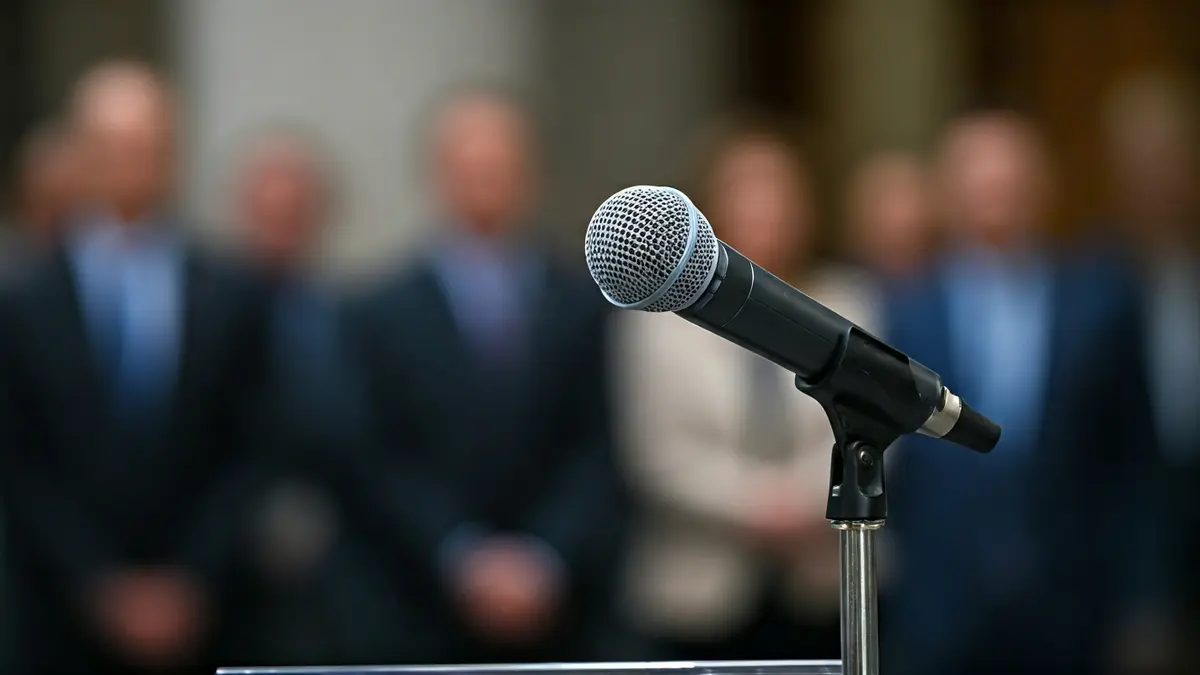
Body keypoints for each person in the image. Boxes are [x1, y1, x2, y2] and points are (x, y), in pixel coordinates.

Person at [0, 61, 275, 675]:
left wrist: (192, 579)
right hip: (60, 618)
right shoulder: (23, 302)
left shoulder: (233, 293)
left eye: (147, 144)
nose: (131, 161)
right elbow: (21, 460)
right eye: (112, 146)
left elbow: (254, 449)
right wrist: (98, 583)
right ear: (79, 154)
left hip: (211, 616)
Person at [345, 89, 630, 663]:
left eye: (501, 166)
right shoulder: (376, 311)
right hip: (417, 609)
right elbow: (373, 458)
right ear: (436, 174)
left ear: (532, 173)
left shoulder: (584, 301)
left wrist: (546, 556)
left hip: (563, 610)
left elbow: (601, 445)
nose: (486, 179)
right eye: (469, 166)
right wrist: (461, 556)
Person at [880, 111, 1154, 675]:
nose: (994, 185)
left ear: (1044, 182)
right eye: (976, 169)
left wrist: (1146, 597)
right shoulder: (899, 306)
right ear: (944, 188)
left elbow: (1135, 461)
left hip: (1074, 601)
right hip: (937, 601)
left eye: (1010, 169)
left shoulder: (1102, 300)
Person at [617, 118, 873, 660]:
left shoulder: (850, 302)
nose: (764, 207)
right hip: (699, 593)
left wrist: (807, 502)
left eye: (777, 188)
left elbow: (871, 426)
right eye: (744, 188)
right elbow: (658, 454)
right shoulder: (657, 318)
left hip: (821, 583)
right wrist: (754, 505)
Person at [1101, 72, 1200, 668]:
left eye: (1169, 157)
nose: (1155, 176)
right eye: (1141, 161)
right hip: (1134, 513)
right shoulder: (1092, 277)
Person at [844, 151, 935, 279]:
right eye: (884, 197)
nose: (901, 213)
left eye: (908, 194)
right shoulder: (840, 291)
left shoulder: (950, 279)